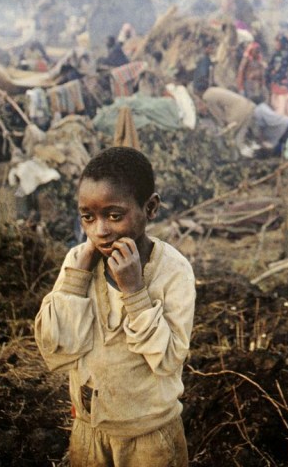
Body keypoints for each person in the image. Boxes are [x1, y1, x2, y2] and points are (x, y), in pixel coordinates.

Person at [34, 147, 195, 467]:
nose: (100, 231)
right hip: (89, 429)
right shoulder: (78, 262)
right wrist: (76, 279)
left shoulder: (173, 270)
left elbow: (168, 359)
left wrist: (134, 291)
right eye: (88, 217)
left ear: (150, 208)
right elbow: (56, 347)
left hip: (149, 434)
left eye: (114, 216)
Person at [202, 86, 257, 155]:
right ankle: (249, 153)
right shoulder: (213, 90)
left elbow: (218, 113)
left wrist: (223, 124)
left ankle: (232, 155)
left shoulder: (207, 97)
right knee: (239, 138)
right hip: (249, 106)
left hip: (238, 112)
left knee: (229, 136)